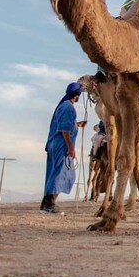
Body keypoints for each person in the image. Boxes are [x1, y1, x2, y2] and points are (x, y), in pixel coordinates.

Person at [41, 82, 87, 214]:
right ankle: (50, 203)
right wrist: (70, 147)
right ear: (77, 95)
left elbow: (65, 125)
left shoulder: (64, 106)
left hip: (55, 144)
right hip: (61, 144)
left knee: (55, 172)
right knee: (61, 173)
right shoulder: (68, 107)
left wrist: (77, 124)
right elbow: (64, 130)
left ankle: (47, 203)